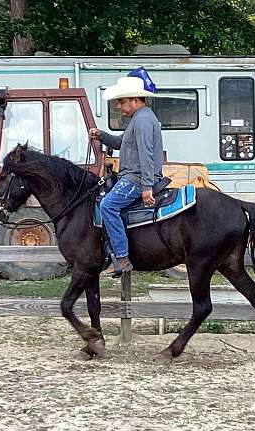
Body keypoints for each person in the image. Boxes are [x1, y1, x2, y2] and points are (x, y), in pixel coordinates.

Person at [89, 69, 164, 276]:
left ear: (134, 100)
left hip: (136, 178)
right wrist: (101, 135)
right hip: (135, 177)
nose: (119, 106)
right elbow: (121, 143)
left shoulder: (141, 121)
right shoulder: (140, 118)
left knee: (108, 205)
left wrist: (147, 186)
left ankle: (121, 257)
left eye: (121, 102)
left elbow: (146, 154)